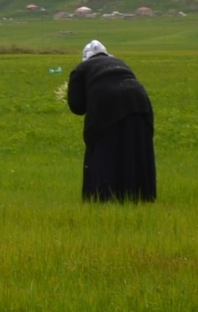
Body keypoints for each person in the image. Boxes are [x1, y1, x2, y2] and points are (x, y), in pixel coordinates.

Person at [67, 40, 156, 202]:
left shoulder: (81, 69)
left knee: (105, 152)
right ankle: (141, 197)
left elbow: (76, 106)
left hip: (107, 105)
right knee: (135, 150)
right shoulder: (120, 63)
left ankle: (104, 197)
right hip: (140, 104)